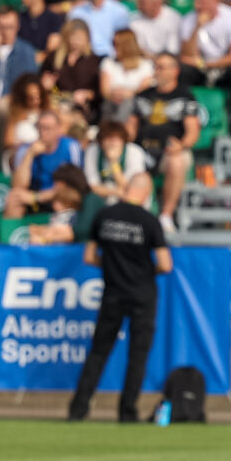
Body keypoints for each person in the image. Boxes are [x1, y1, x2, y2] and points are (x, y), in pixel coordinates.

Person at [65, 175, 173, 423]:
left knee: (99, 351)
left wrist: (112, 267)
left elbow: (89, 257)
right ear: (146, 194)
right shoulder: (149, 221)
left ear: (127, 189)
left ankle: (78, 408)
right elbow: (166, 265)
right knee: (138, 354)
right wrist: (146, 271)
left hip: (113, 292)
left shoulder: (104, 216)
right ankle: (127, 411)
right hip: (142, 294)